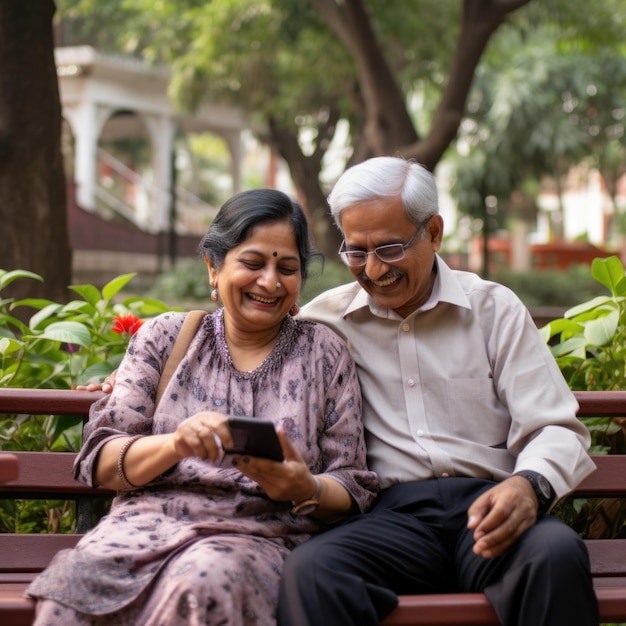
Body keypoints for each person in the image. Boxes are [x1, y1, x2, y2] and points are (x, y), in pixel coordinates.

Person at [26, 188, 378, 626]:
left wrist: (304, 488)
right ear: (213, 267)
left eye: (286, 268)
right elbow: (102, 461)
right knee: (68, 591)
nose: (270, 282)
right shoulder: (165, 338)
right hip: (136, 534)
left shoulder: (324, 354)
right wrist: (176, 444)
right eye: (252, 263)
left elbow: (352, 485)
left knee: (206, 580)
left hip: (257, 539)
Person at [277, 156, 599, 626]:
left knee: (554, 553)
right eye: (355, 251)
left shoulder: (493, 310)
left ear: (433, 233)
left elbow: (555, 427)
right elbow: (244, 344)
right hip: (389, 520)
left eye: (388, 248)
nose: (371, 269)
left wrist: (528, 486)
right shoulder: (324, 322)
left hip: (489, 506)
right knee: (312, 570)